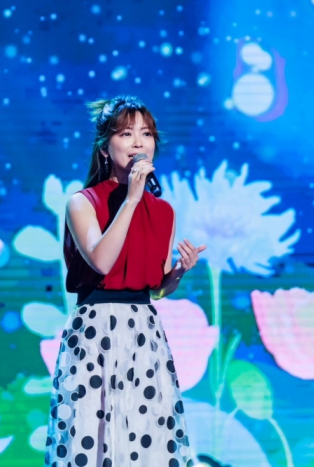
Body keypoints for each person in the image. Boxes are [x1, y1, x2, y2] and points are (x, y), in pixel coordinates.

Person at [44, 95, 207, 467]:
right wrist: (132, 199)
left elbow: (156, 288)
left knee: (145, 436)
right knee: (92, 434)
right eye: (126, 134)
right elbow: (101, 261)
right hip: (95, 331)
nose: (138, 143)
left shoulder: (163, 211)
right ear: (105, 148)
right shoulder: (82, 203)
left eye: (146, 134)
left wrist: (179, 272)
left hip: (142, 332)